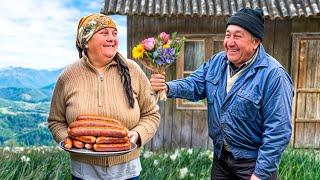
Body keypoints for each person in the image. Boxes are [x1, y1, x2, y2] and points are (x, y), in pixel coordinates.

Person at [150, 8, 293, 180]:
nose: (229, 42)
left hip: (253, 164)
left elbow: (278, 130)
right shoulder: (217, 62)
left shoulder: (274, 75)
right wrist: (167, 87)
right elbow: (195, 84)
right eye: (227, 35)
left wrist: (260, 174)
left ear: (255, 42)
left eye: (237, 36)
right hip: (221, 159)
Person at [48, 13, 160, 180]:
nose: (112, 38)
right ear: (85, 41)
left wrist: (136, 135)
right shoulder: (68, 76)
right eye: (104, 33)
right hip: (83, 172)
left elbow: (151, 115)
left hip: (127, 171)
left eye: (114, 33)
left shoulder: (133, 70)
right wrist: (70, 141)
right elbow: (55, 121)